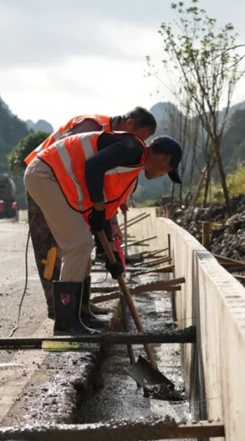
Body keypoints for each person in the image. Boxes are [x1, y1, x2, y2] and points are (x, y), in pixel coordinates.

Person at [24, 130, 182, 335]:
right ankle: (66, 323)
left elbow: (105, 210)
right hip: (46, 174)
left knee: (83, 249)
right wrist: (98, 210)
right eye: (168, 170)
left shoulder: (131, 172)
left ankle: (80, 314)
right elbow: (93, 166)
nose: (163, 175)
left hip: (54, 179)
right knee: (78, 245)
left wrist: (112, 255)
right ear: (165, 158)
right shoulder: (133, 148)